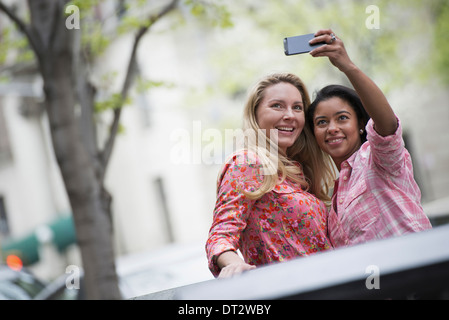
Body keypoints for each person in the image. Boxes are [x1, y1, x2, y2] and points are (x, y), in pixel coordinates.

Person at [307, 29, 432, 248]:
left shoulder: (377, 160)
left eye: (342, 118)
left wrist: (347, 66)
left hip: (419, 276)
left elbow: (387, 125)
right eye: (322, 122)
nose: (332, 128)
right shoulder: (333, 200)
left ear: (361, 125)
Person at [205, 73, 336, 278]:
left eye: (297, 107)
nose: (290, 115)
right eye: (277, 106)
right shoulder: (248, 163)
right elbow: (221, 235)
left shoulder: (297, 171)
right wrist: (234, 265)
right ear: (255, 114)